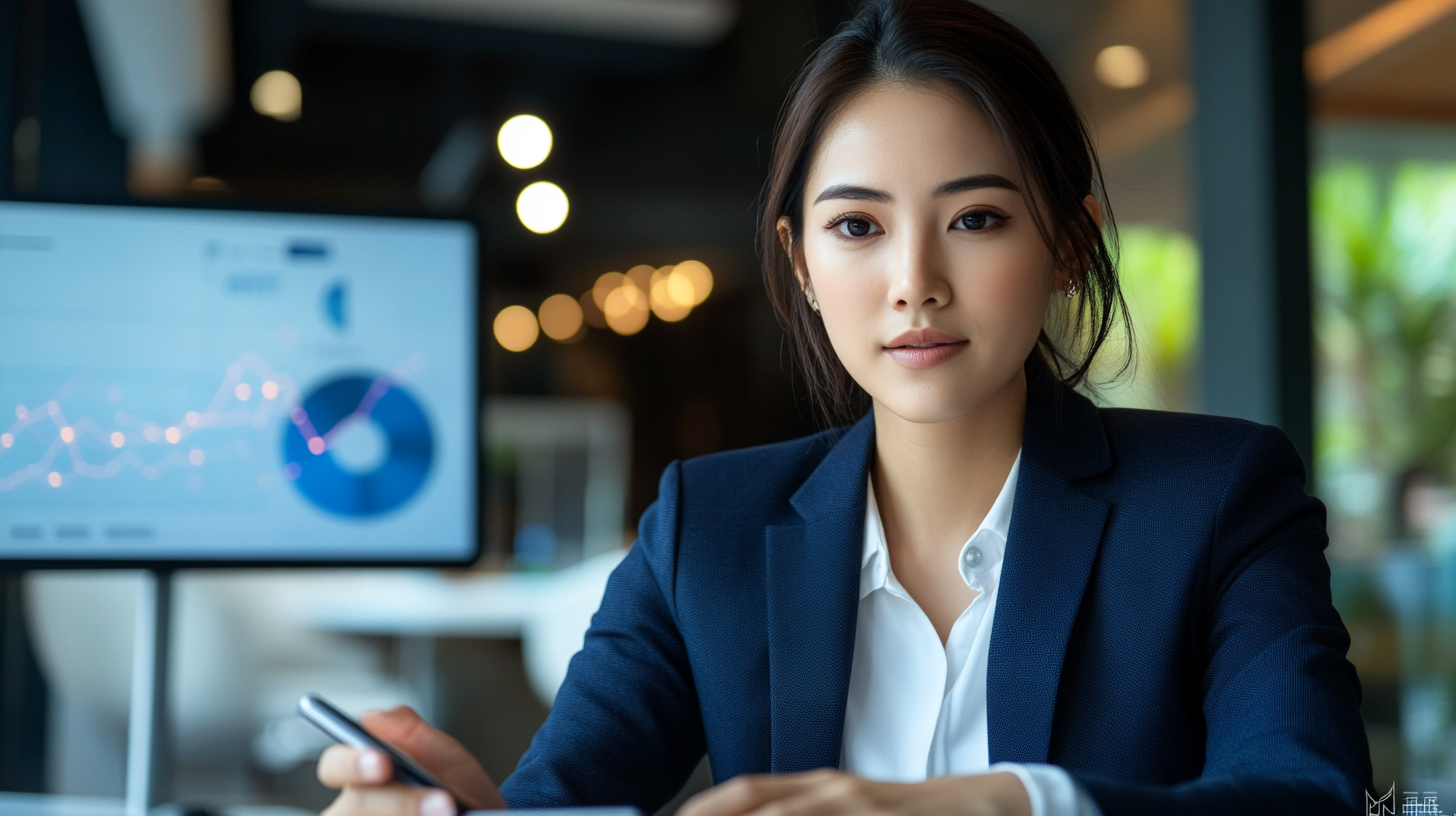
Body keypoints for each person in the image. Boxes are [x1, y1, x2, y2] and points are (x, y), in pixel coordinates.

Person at [317, 1, 1372, 814]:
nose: (914, 279)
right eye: (858, 228)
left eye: (976, 217)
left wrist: (1002, 803)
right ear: (802, 263)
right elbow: (572, 797)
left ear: (1068, 246)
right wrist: (465, 806)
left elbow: (1307, 796)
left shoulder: (1218, 498)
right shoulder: (706, 528)